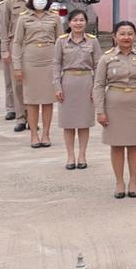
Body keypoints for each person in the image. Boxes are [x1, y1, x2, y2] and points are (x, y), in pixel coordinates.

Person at [95, 19, 136, 199]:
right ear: (114, 36)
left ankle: (134, 181)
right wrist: (100, 110)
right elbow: (98, 85)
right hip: (113, 106)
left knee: (134, 145)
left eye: (130, 34)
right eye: (122, 34)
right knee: (117, 146)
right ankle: (119, 181)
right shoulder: (106, 58)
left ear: (135, 36)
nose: (126, 37)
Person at [11, 0, 63, 149]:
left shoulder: (54, 17)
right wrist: (17, 66)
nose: (39, 0)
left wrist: (62, 65)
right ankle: (33, 134)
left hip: (49, 60)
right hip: (30, 61)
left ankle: (46, 133)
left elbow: (61, 41)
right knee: (32, 101)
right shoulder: (24, 17)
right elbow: (18, 42)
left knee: (48, 100)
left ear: (47, 0)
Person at [53, 9, 99, 170]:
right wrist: (57, 86)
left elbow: (98, 66)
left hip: (86, 82)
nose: (78, 23)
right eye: (75, 20)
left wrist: (96, 88)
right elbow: (56, 64)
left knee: (84, 122)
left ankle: (82, 155)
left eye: (81, 20)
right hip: (68, 82)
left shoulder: (93, 41)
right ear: (69, 22)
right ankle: (70, 155)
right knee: (69, 123)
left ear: (86, 23)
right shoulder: (61, 41)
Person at [0, 0, 33, 130]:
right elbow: (4, 28)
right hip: (15, 46)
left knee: (33, 83)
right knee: (17, 82)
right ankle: (20, 117)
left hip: (34, 46)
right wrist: (5, 49)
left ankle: (33, 118)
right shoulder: (9, 3)